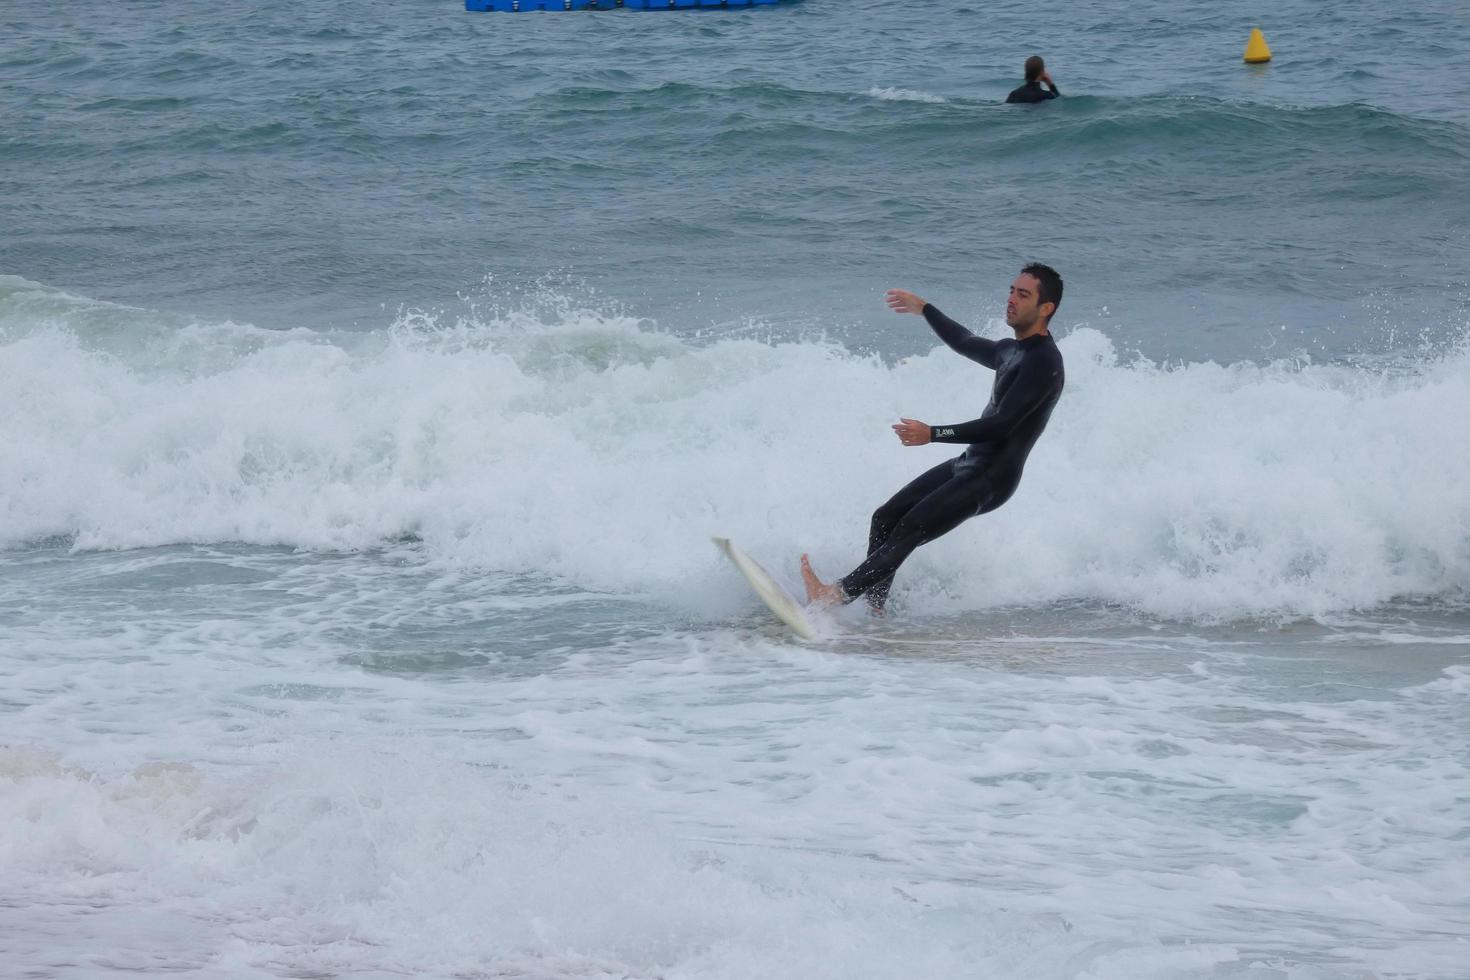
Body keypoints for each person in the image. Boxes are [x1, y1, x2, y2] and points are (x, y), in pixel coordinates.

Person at [800, 265, 1066, 612]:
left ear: (1046, 309)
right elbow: (966, 342)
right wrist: (925, 309)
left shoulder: (1043, 363)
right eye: (1012, 291)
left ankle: (832, 596)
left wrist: (933, 434)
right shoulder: (1012, 350)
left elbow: (1003, 425)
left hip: (992, 478)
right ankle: (876, 609)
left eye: (1023, 294)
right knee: (885, 517)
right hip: (971, 462)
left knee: (909, 528)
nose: (1011, 299)